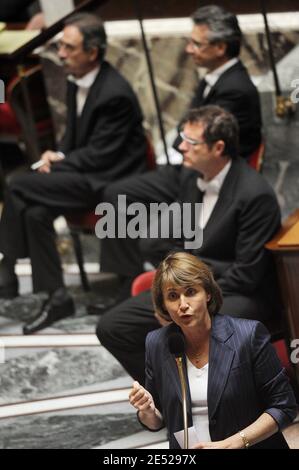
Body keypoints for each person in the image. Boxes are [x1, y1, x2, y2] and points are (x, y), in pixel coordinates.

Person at [97, 105, 281, 385]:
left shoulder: (255, 195)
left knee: (189, 326)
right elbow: (170, 241)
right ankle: (172, 395)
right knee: (112, 327)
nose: (181, 147)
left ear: (218, 147)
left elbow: (247, 274)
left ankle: (219, 401)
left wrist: (189, 301)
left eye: (190, 142)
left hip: (240, 293)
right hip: (192, 285)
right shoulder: (191, 180)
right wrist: (173, 295)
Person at [0, 13, 148, 334]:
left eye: (68, 48)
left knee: (17, 185)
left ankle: (7, 266)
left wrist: (63, 162)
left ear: (92, 52)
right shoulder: (75, 79)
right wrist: (59, 154)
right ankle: (57, 297)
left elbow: (102, 155)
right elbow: (75, 137)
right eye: (60, 46)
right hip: (88, 171)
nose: (61, 54)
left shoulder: (115, 93)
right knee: (35, 212)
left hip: (111, 177)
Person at [129, 252, 297, 449]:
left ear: (208, 294)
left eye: (191, 292)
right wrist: (147, 411)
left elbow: (283, 407)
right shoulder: (157, 343)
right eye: (173, 296)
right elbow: (157, 421)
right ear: (164, 304)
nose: (183, 305)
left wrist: (231, 444)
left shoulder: (247, 335)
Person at [174, 4, 262, 159]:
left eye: (197, 44)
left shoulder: (235, 90)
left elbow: (198, 141)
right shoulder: (213, 77)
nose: (188, 49)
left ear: (220, 47)